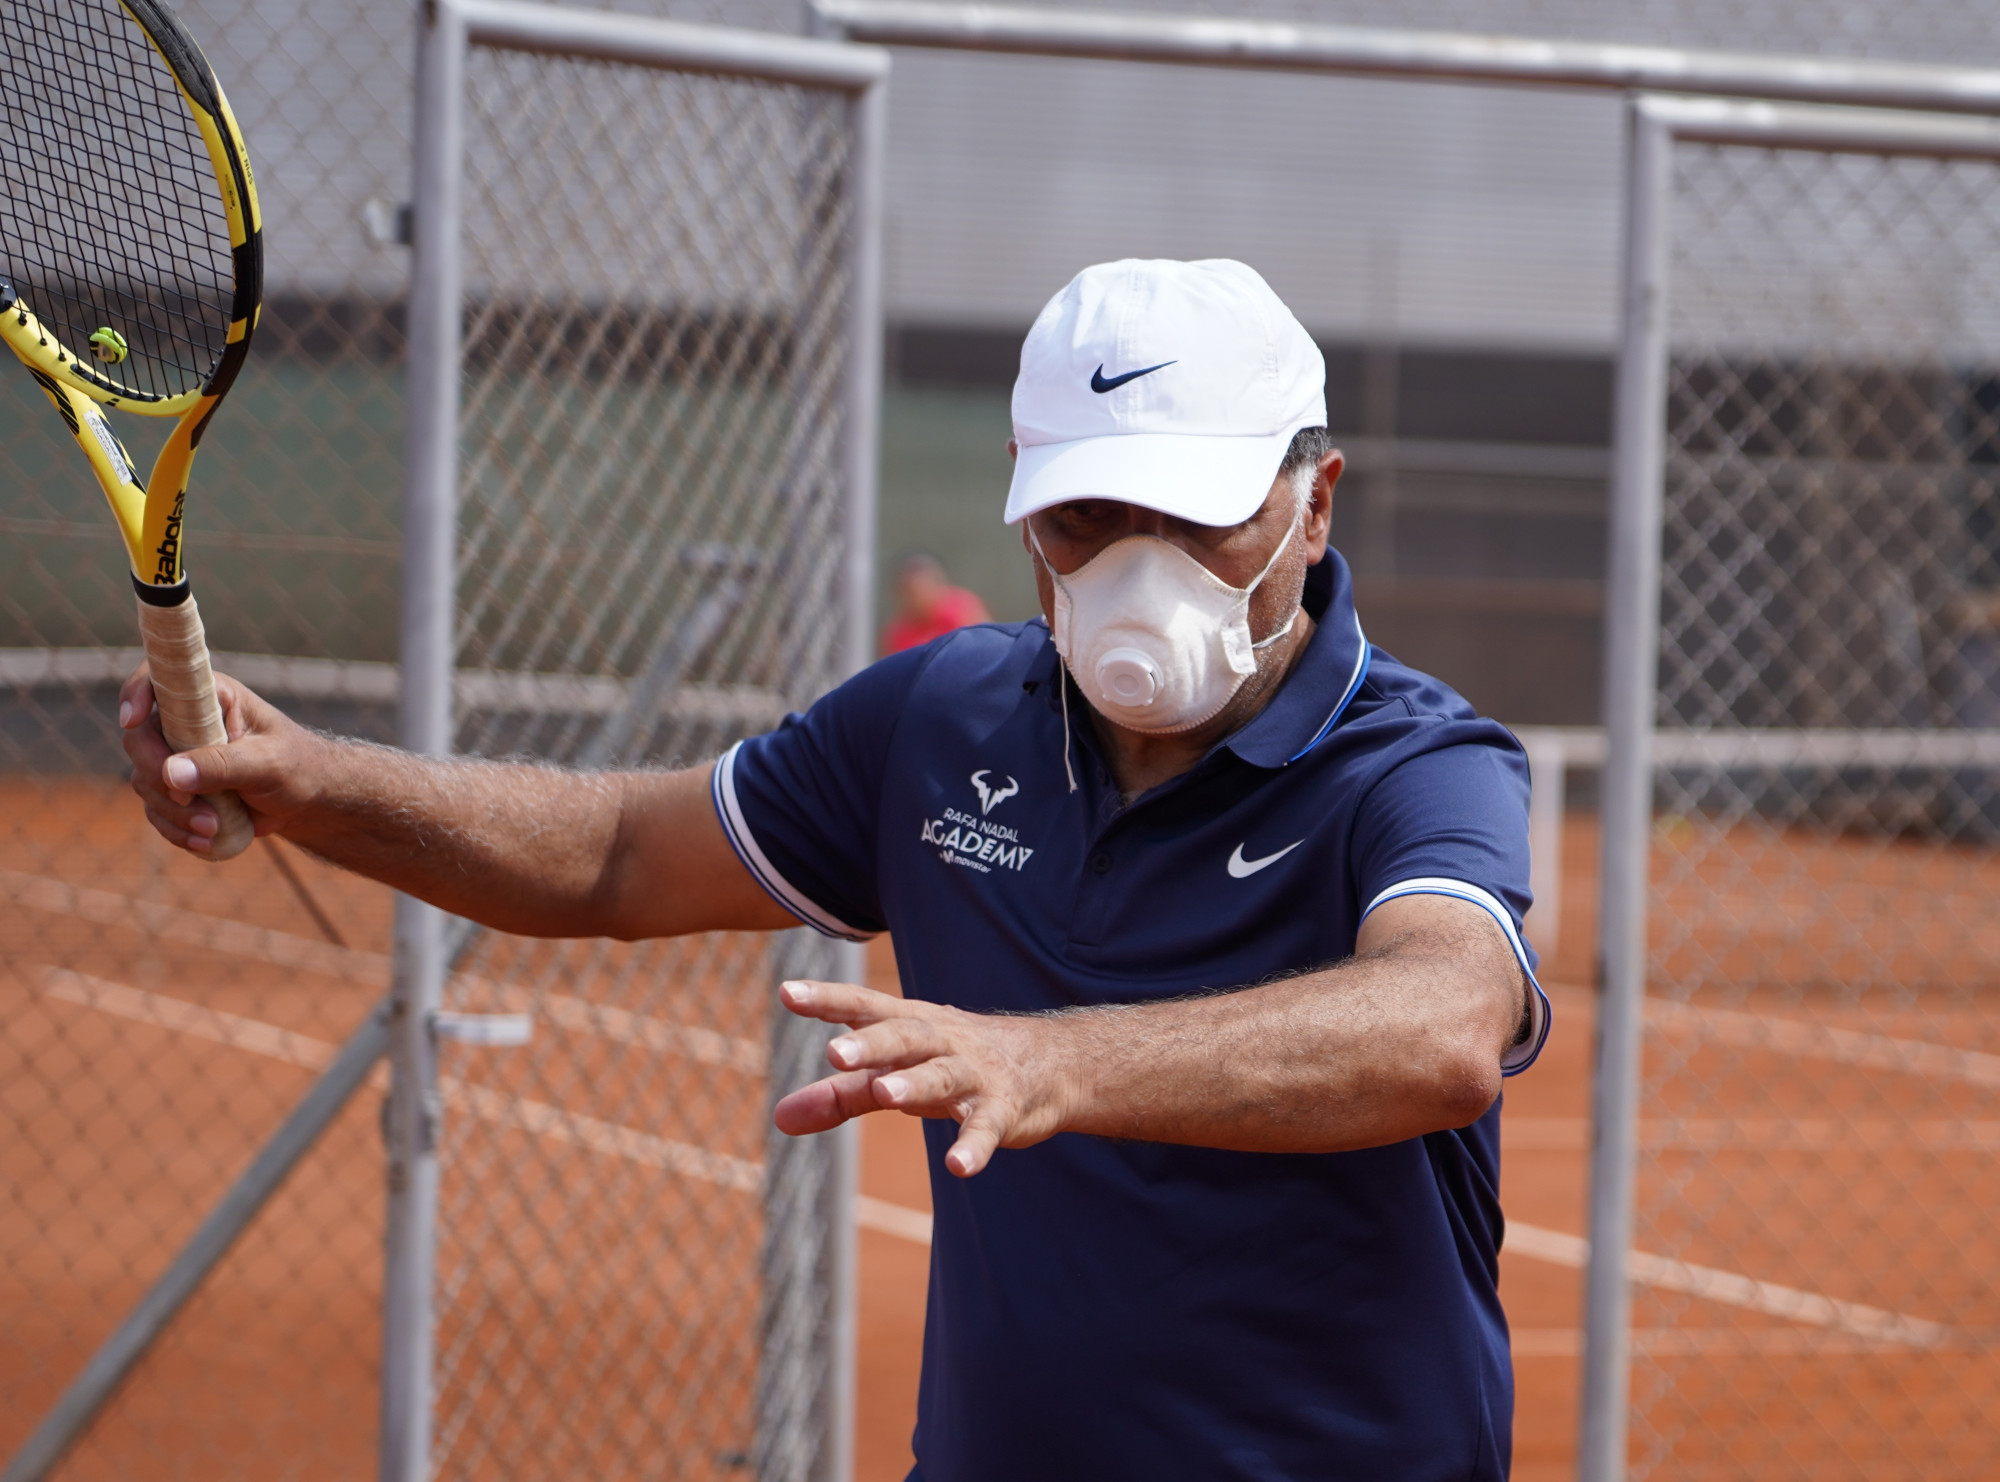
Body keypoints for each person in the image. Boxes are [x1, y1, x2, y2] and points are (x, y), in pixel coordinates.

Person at [124, 258, 1549, 1481]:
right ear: (1023, 501)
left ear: (1314, 501)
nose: (1139, 571)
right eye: (1087, 519)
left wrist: (1051, 1065)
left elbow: (1438, 1026)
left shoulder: (1416, 760)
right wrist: (316, 779)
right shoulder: (942, 717)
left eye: (1197, 515)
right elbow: (620, 853)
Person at [882, 550, 991, 655]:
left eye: (922, 589)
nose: (913, 599)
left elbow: (988, 649)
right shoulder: (898, 631)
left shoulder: (963, 610)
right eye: (905, 592)